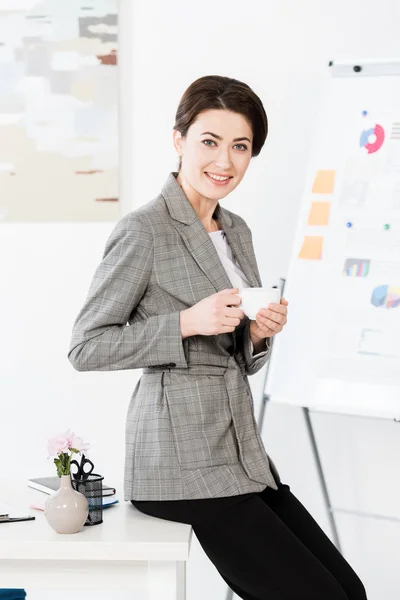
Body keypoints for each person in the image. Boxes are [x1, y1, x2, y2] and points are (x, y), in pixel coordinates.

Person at [68, 75, 367, 600]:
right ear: (179, 139)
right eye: (209, 141)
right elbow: (86, 345)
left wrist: (255, 334)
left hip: (240, 457)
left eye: (240, 146)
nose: (224, 161)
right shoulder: (145, 230)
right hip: (178, 465)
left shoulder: (238, 230)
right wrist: (186, 322)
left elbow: (237, 360)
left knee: (348, 591)